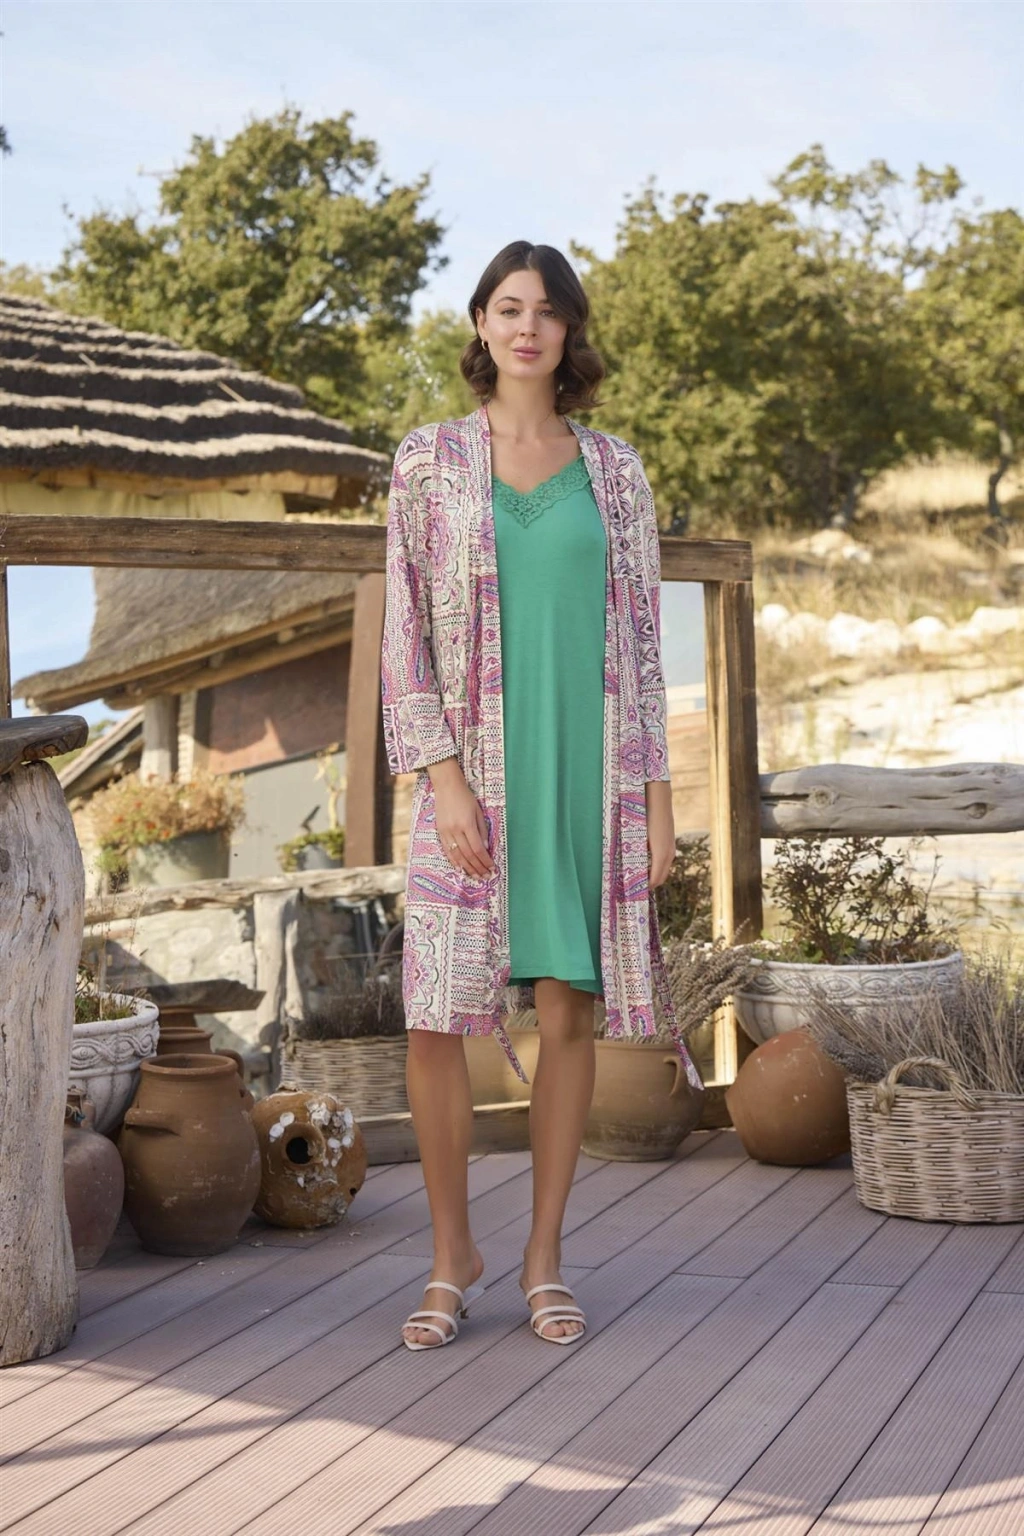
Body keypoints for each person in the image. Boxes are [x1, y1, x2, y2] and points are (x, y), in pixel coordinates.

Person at [380, 240, 695, 1351]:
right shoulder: (427, 462)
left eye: (548, 311)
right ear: (480, 322)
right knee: (435, 1018)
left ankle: (543, 1258)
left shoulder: (616, 471)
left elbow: (645, 643)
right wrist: (442, 778)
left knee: (568, 1010)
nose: (527, 327)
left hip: (587, 771)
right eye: (509, 308)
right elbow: (404, 632)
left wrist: (658, 798)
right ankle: (450, 1257)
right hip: (469, 777)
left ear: (569, 333)